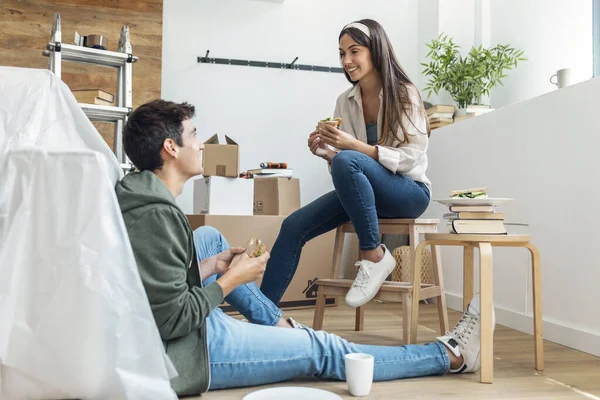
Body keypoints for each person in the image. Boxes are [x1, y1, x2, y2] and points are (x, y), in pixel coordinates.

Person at [115, 99, 493, 396]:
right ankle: (450, 355)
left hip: (175, 329)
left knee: (209, 237)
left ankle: (282, 327)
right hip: (188, 354)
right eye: (193, 134)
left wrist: (213, 265)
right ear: (170, 147)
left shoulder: (146, 198)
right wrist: (230, 280)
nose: (200, 143)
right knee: (322, 350)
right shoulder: (155, 217)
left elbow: (154, 289)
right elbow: (173, 320)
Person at [260, 19, 432, 308]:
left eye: (354, 51)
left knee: (348, 158)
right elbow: (347, 167)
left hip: (409, 192)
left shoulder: (404, 93)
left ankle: (373, 255)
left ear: (375, 51)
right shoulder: (345, 100)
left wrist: (351, 146)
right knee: (293, 226)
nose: (347, 61)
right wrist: (327, 152)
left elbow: (413, 155)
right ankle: (261, 316)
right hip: (366, 194)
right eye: (342, 54)